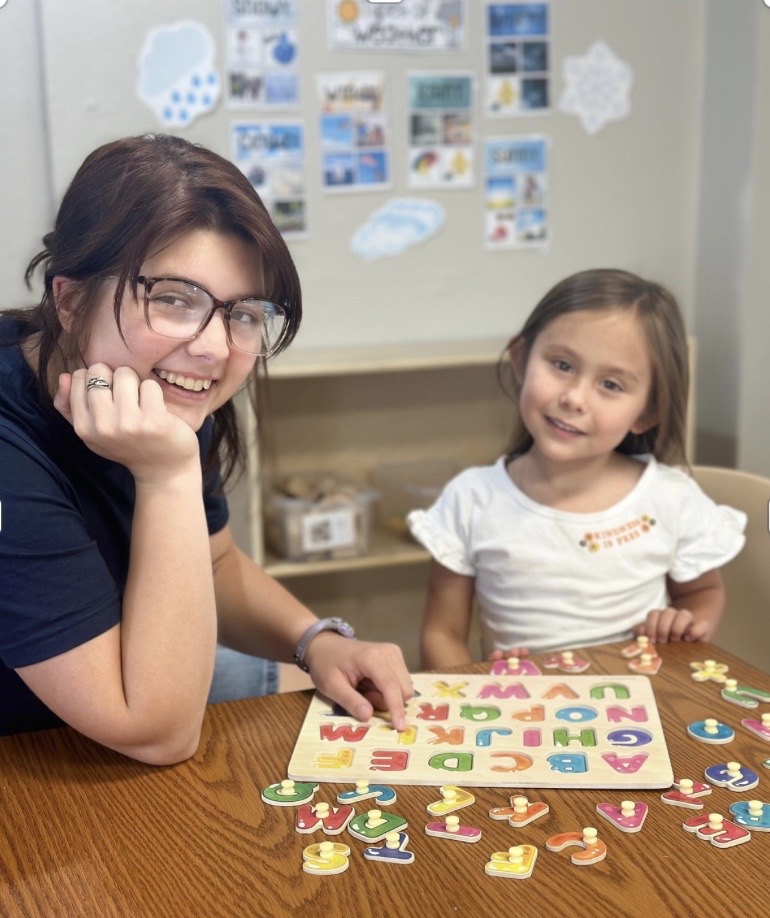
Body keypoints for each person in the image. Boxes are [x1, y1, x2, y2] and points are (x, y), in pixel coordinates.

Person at [0, 133, 412, 761]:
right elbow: (158, 732)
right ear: (70, 298)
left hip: (115, 689)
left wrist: (317, 640)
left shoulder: (155, 387)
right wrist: (167, 476)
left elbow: (214, 565)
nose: (215, 349)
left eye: (243, 312)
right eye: (172, 299)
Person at [408, 269, 746, 667]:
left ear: (647, 411)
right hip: (521, 713)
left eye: (611, 385)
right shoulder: (470, 499)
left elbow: (701, 594)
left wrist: (686, 626)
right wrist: (478, 692)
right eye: (563, 365)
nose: (574, 398)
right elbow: (442, 634)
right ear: (520, 360)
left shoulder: (671, 498)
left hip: (641, 711)